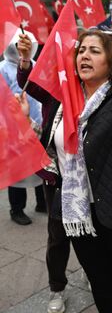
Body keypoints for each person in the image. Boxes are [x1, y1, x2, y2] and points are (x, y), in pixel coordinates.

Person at [20, 11, 112, 313]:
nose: (84, 56)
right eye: (81, 50)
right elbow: (35, 89)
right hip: (78, 211)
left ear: (111, 60)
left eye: (94, 50)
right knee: (101, 283)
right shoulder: (64, 99)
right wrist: (25, 69)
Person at [17, 33, 71, 313]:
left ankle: (97, 273)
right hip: (57, 177)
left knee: (93, 236)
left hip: (91, 178)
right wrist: (26, 59)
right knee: (58, 235)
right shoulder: (55, 88)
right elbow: (31, 84)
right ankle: (57, 288)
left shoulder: (100, 91)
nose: (82, 59)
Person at [0, 32, 46, 226]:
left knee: (41, 163)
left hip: (35, 121)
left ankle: (42, 202)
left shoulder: (34, 65)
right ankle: (17, 208)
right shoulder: (2, 68)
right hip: (12, 126)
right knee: (17, 168)